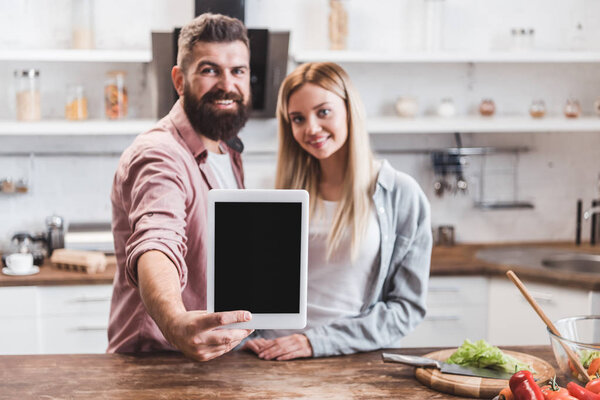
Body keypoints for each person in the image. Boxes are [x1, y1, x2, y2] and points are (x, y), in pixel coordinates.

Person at [243, 62, 432, 360]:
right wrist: (247, 334)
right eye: (298, 118)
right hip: (271, 356)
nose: (312, 128)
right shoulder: (273, 190)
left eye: (323, 112)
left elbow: (406, 309)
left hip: (351, 359)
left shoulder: (401, 193)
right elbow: (247, 289)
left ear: (349, 109)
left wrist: (316, 341)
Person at [107, 13, 255, 361]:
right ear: (179, 79)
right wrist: (175, 321)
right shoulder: (160, 154)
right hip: (158, 362)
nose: (227, 84)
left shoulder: (227, 148)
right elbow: (157, 240)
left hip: (212, 359)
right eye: (209, 70)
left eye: (238, 71)